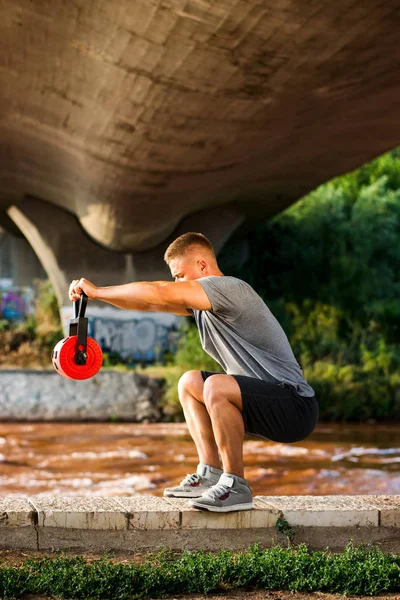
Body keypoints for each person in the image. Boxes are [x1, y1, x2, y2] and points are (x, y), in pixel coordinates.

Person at [69, 232, 319, 513]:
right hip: (258, 401)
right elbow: (149, 302)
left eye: (180, 275)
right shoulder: (202, 304)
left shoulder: (228, 288)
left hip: (294, 406)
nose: (177, 283)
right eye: (174, 277)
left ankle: (235, 485)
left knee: (215, 386)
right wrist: (99, 296)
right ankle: (209, 474)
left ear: (202, 266)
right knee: (190, 382)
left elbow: (159, 291)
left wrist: (99, 290)